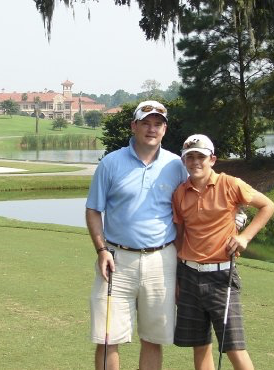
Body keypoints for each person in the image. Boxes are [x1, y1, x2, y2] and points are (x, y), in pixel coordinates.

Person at [85, 100, 188, 370]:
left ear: (165, 130)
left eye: (158, 124)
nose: (152, 129)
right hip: (116, 260)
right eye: (146, 123)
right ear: (134, 126)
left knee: (153, 339)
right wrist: (101, 250)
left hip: (162, 260)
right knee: (108, 338)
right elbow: (94, 210)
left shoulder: (177, 165)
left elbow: (197, 202)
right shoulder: (111, 163)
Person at [172, 134, 274, 370]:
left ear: (212, 159)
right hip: (188, 275)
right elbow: (180, 236)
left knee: (234, 347)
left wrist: (245, 237)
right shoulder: (180, 193)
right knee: (200, 345)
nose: (195, 162)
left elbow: (267, 205)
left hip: (221, 276)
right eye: (190, 157)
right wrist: (178, 278)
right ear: (184, 161)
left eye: (201, 157)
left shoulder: (230, 184)